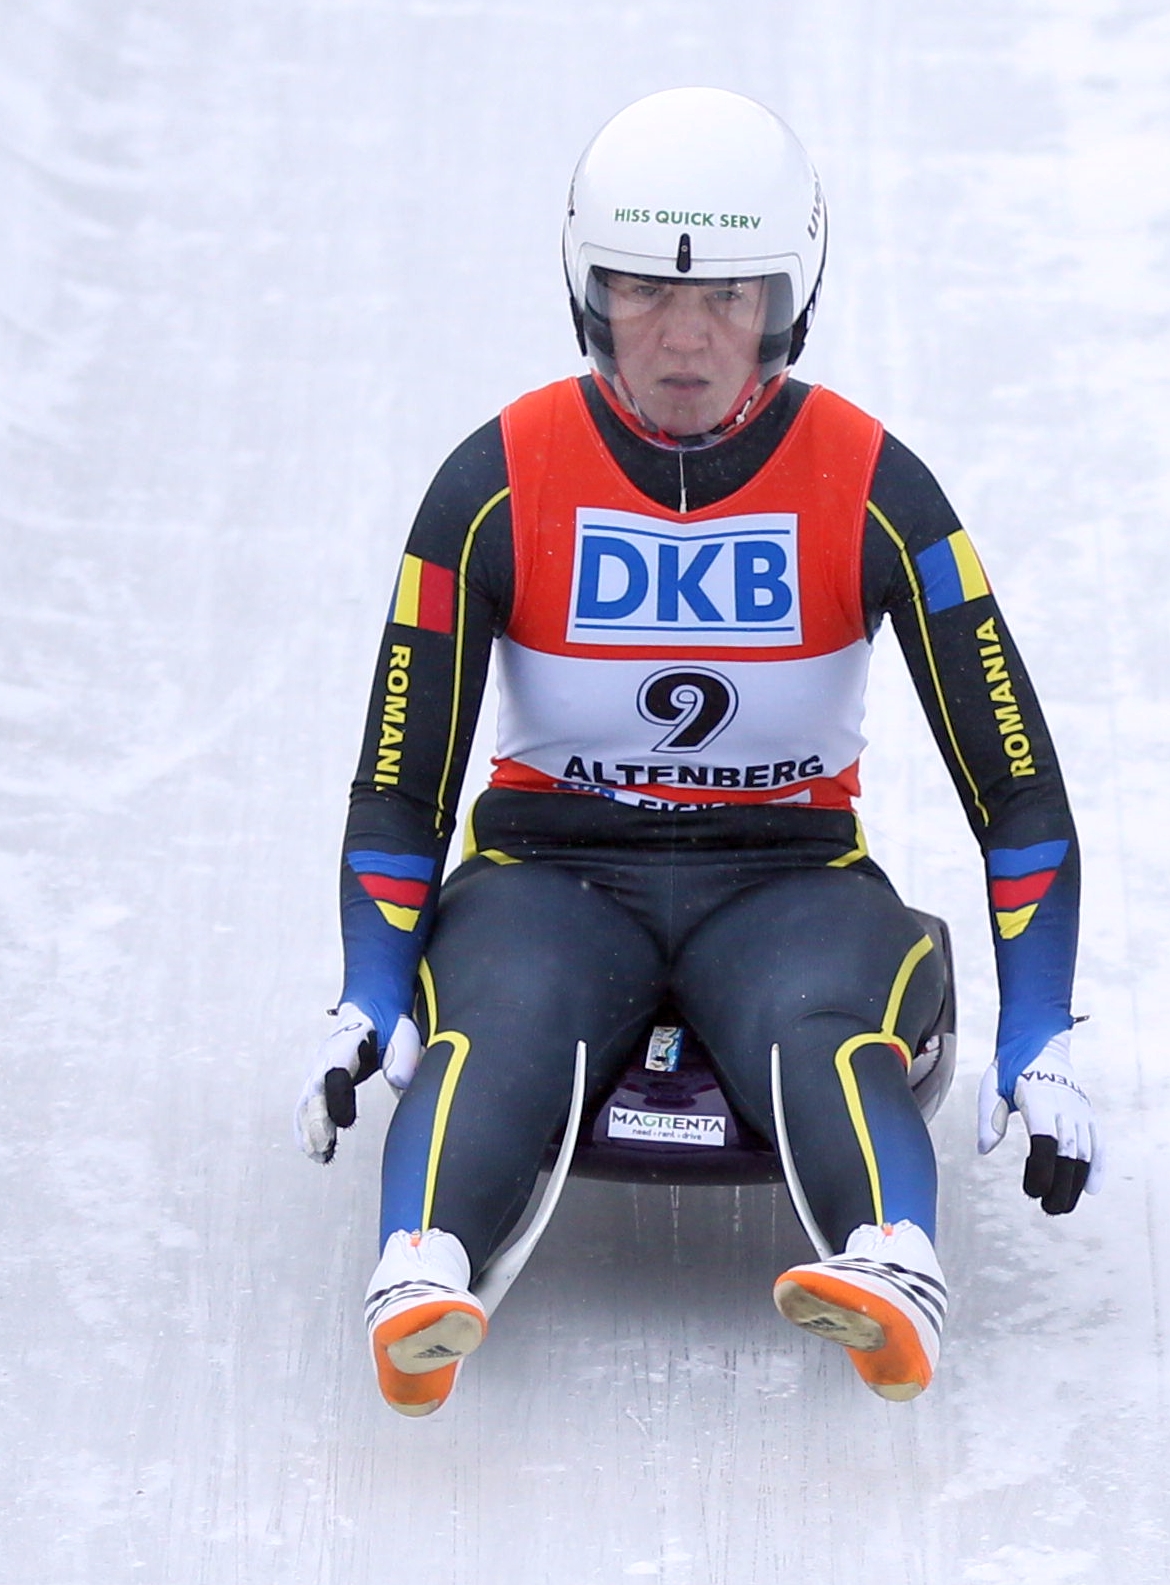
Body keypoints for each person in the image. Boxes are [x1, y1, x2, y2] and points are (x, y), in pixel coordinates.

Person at [295, 87, 1104, 1418]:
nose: (683, 341)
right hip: (547, 875)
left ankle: (892, 1267)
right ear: (588, 291)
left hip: (787, 876)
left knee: (818, 1023)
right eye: (643, 293)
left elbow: (1010, 776)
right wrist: (369, 988)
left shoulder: (874, 484)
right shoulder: (491, 481)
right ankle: (419, 1274)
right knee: (498, 1014)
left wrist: (1040, 1030)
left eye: (727, 298)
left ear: (789, 298)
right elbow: (401, 775)